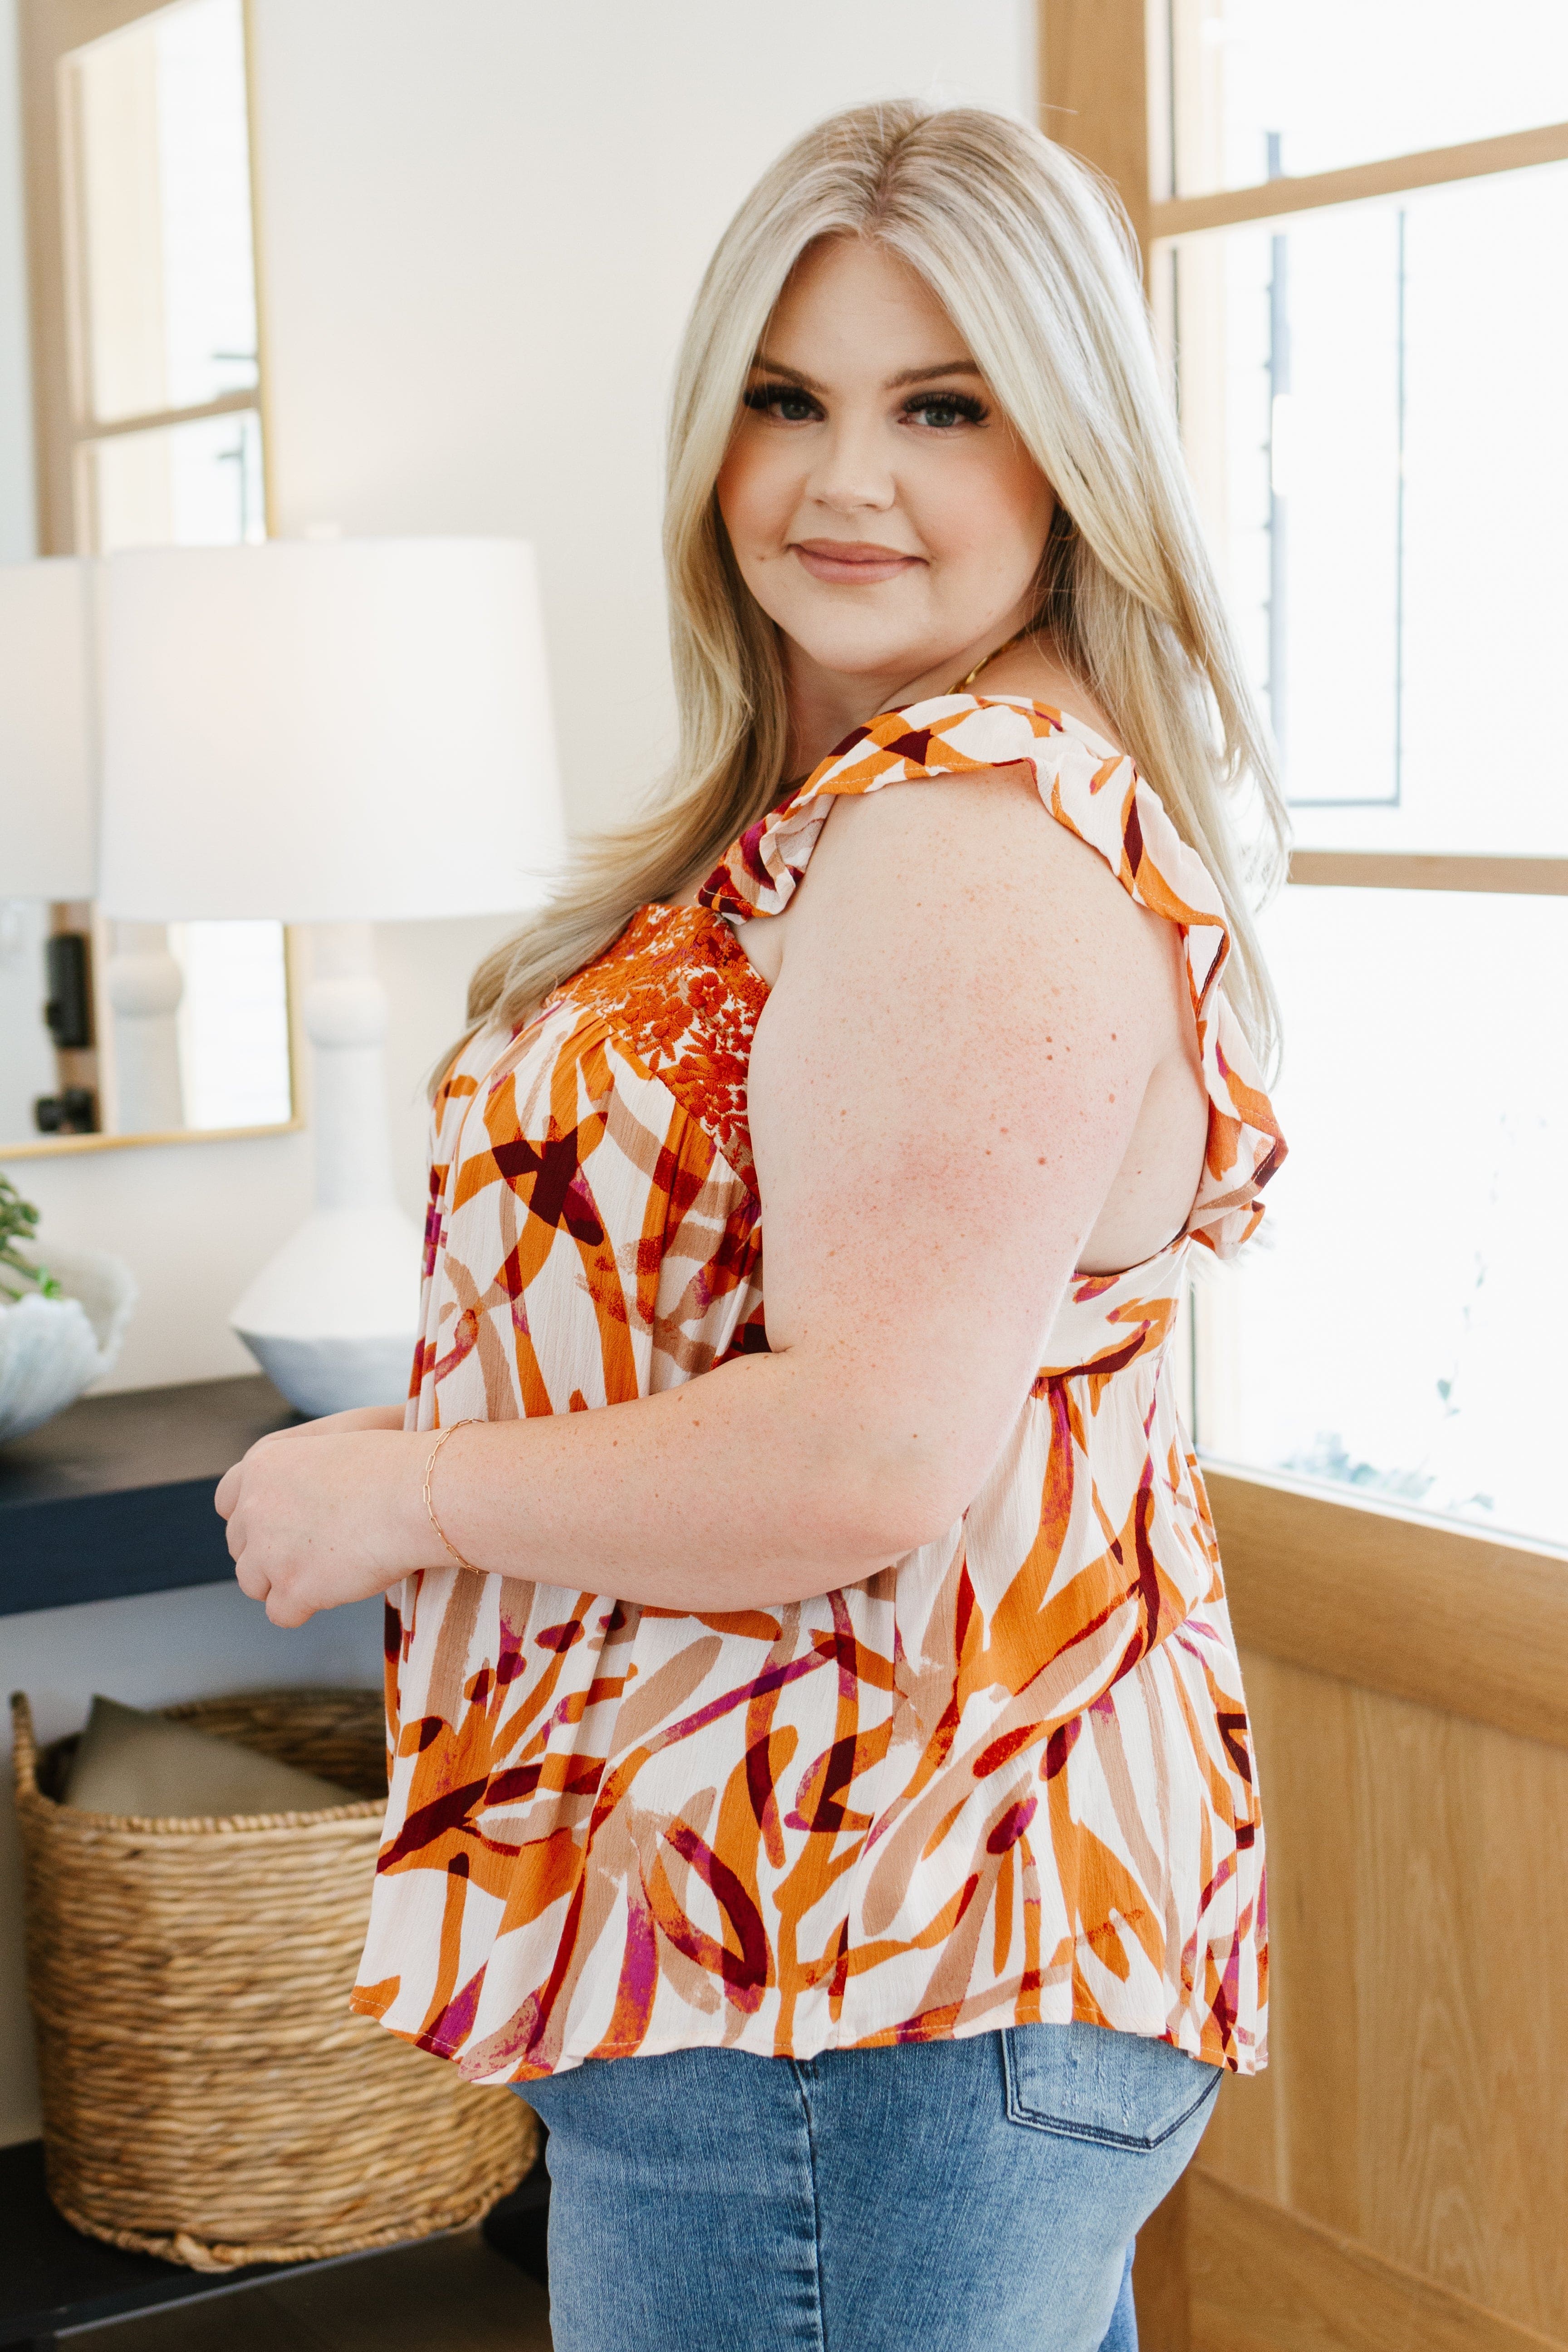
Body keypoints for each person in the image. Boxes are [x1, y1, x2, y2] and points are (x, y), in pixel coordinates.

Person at [218, 99, 1287, 2352]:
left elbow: (863, 1455)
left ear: (1067, 444)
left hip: (851, 1960)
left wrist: (388, 1492)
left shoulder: (967, 835)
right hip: (856, 1959)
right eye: (787, 401)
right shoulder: (880, 802)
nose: (845, 481)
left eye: (942, 406)